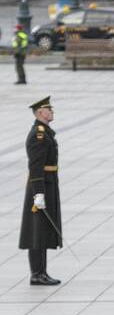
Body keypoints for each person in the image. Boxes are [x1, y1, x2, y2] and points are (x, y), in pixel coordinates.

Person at [20, 96, 61, 285]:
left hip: (47, 183)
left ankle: (41, 271)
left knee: (43, 229)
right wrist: (38, 193)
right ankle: (36, 273)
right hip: (41, 185)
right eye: (48, 109)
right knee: (37, 230)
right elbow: (35, 166)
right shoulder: (39, 134)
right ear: (39, 113)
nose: (51, 111)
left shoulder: (45, 132)